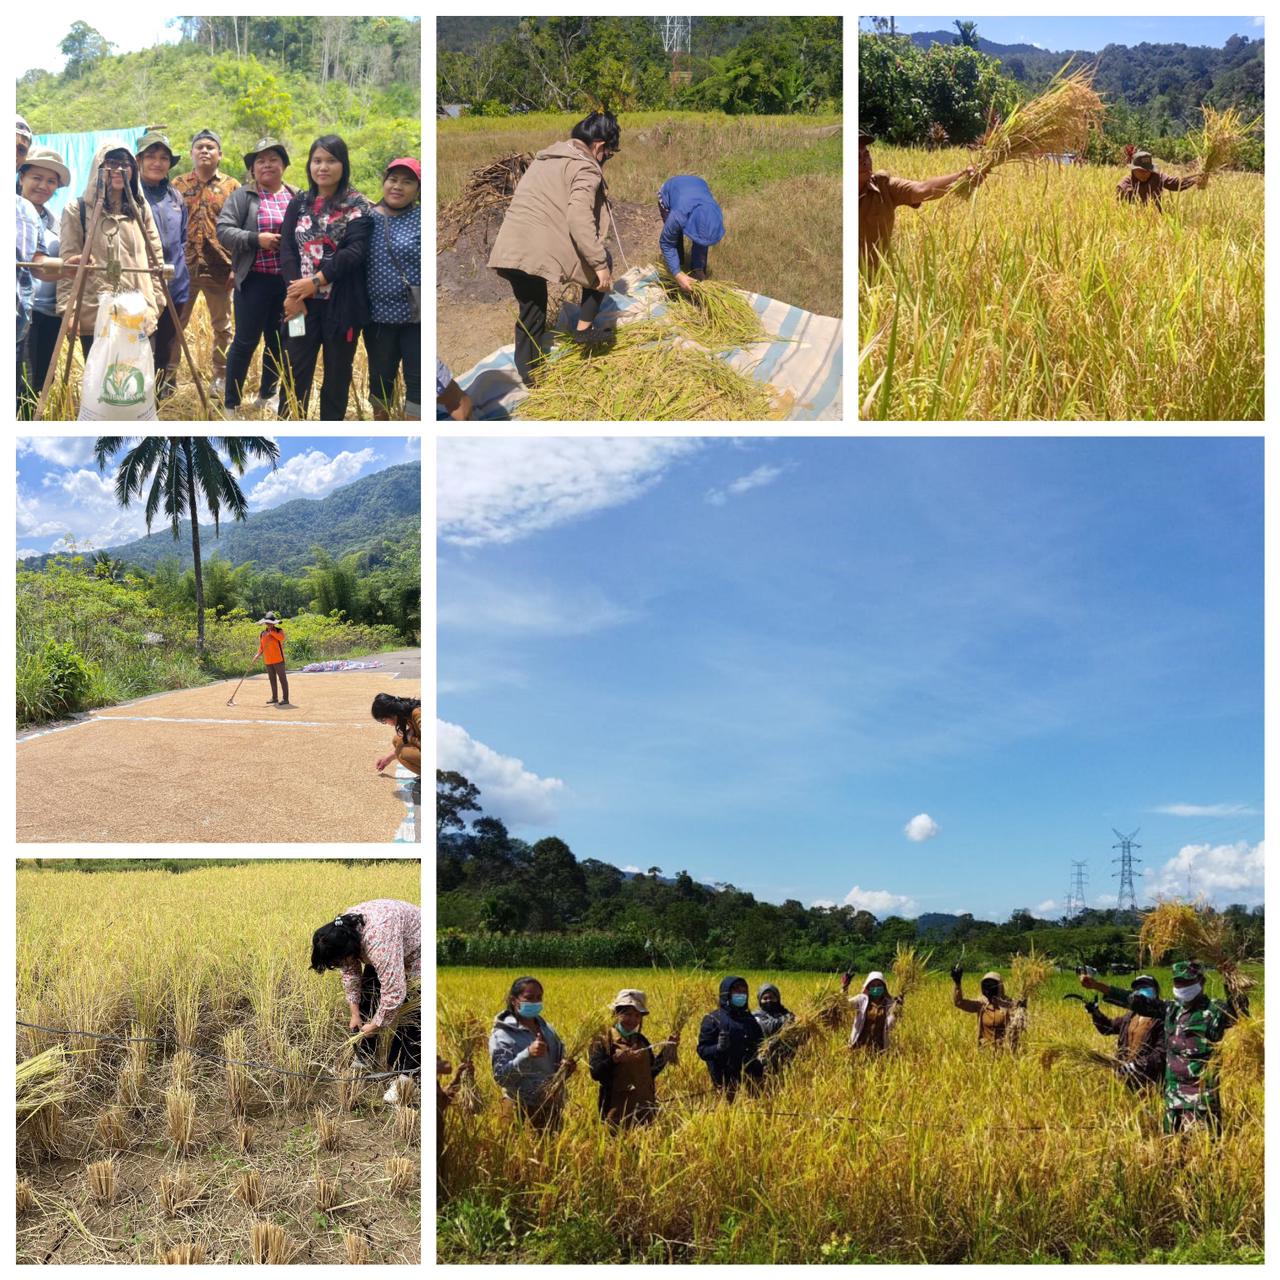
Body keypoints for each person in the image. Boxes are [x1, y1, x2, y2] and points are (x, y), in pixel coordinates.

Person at [487, 110, 620, 386]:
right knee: (602, 261)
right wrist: (598, 265)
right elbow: (578, 218)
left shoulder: (547, 156)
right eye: (609, 153)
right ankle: (584, 330)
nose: (607, 159)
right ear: (599, 146)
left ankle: (530, 373)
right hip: (535, 247)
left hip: (510, 246)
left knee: (532, 306)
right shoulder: (585, 166)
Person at [1080, 960, 1244, 1133]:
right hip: (1172, 1097)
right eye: (1177, 982)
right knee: (1171, 1146)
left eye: (1187, 982)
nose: (1181, 987)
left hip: (1200, 1098)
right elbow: (1135, 1001)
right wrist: (1097, 986)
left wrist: (1231, 978)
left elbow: (1239, 1013)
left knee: (1200, 1151)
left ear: (1201, 982)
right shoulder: (1171, 1010)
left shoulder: (1214, 1011)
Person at [279, 134, 374, 420]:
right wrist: (295, 293)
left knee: (337, 372)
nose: (323, 167)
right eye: (317, 160)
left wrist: (316, 281)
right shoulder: (299, 203)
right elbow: (287, 249)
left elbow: (354, 252)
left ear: (343, 164)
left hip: (341, 307)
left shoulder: (357, 204)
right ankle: (291, 421)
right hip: (300, 306)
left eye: (331, 160)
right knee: (295, 366)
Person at [58, 141, 165, 357]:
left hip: (138, 308)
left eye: (125, 164)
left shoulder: (140, 209)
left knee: (137, 380)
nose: (119, 170)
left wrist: (157, 302)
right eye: (112, 163)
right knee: (102, 383)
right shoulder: (77, 210)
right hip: (95, 310)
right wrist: (67, 310)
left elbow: (155, 260)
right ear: (99, 167)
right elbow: (69, 264)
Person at [216, 136, 299, 416]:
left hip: (288, 285)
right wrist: (256, 238)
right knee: (245, 341)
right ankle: (232, 403)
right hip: (253, 281)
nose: (267, 165)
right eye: (260, 161)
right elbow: (223, 231)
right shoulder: (243, 197)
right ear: (253, 170)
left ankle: (267, 395)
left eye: (273, 159)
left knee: (279, 341)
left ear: (284, 165)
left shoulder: (297, 197)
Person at [310, 900, 421, 1105]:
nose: (340, 966)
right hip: (389, 945)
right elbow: (351, 974)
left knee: (413, 1016)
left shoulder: (378, 942)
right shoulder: (343, 933)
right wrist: (355, 1014)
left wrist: (377, 1024)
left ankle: (405, 1081)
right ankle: (364, 1058)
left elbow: (395, 991)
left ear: (352, 951)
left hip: (418, 951)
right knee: (368, 996)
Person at [172, 128, 240, 397]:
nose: (204, 151)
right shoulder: (177, 185)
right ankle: (168, 377)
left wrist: (237, 267)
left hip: (220, 269)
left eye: (210, 147)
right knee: (175, 325)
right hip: (183, 269)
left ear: (220, 155)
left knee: (222, 327)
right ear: (191, 153)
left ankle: (221, 377)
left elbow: (239, 228)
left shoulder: (232, 187)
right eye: (199, 146)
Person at [859, 128, 984, 267]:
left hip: (875, 283)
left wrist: (963, 176)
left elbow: (922, 189)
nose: (865, 161)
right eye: (857, 156)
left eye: (866, 155)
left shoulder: (884, 186)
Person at [135, 131, 191, 400]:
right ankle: (140, 395)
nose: (157, 163)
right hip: (142, 284)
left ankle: (160, 391)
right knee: (142, 340)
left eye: (163, 158)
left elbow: (182, 238)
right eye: (150, 157)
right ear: (139, 161)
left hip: (176, 281)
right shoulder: (131, 196)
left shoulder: (175, 197)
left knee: (168, 340)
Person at [365, 157, 421, 419]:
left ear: (418, 190)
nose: (398, 186)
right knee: (380, 382)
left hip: (415, 319)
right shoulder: (366, 219)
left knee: (418, 382)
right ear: (384, 183)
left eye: (407, 181)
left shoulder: (422, 218)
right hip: (377, 320)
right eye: (393, 179)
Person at [489, 976, 576, 1130]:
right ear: (514, 1000)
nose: (535, 1002)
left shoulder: (548, 1030)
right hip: (518, 1107)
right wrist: (527, 1054)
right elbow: (501, 1077)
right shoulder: (502, 1034)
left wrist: (566, 1068)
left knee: (551, 1152)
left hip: (549, 1106)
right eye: (529, 998)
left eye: (539, 998)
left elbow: (555, 1068)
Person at [587, 989, 678, 1128]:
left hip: (645, 1111)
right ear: (616, 1014)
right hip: (616, 1113)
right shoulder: (603, 1040)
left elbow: (651, 1071)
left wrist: (668, 1048)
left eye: (637, 1015)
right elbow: (596, 1073)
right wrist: (614, 1060)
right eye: (628, 1014)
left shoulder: (641, 1040)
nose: (633, 1020)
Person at [1083, 973, 1165, 1090]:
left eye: (1145, 987)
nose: (1140, 990)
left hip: (1149, 1081)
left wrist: (1136, 1066)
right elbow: (1107, 1028)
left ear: (1156, 991)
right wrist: (1095, 1013)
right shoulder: (1130, 1016)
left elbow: (1160, 1055)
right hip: (1125, 1077)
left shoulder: (1162, 1019)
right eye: (1137, 988)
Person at [696, 975, 764, 1100]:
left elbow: (761, 1043)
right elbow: (702, 1050)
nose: (741, 995)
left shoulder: (749, 1019)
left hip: (751, 1079)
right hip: (724, 1081)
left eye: (744, 992)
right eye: (737, 991)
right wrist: (718, 1048)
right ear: (726, 993)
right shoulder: (712, 1019)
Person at [657, 175, 725, 291]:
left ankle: (697, 271)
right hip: (670, 190)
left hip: (697, 185)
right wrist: (677, 274)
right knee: (675, 240)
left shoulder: (714, 211)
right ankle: (677, 274)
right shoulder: (678, 215)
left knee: (702, 241)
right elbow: (666, 243)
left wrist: (698, 269)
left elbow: (704, 236)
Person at [951, 965, 1024, 1050]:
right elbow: (959, 1002)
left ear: (1000, 987)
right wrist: (957, 983)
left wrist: (1022, 1009)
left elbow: (1018, 1028)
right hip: (985, 1051)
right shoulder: (981, 1004)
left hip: (1005, 1052)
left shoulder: (1010, 1004)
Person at [1116, 149, 1203, 210]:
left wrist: (1196, 178)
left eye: (1147, 171)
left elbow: (1176, 184)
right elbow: (1120, 212)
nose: (1144, 174)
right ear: (1133, 170)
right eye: (1140, 171)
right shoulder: (1124, 187)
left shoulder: (1157, 177)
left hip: (1157, 220)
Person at [846, 971, 903, 1054]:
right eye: (873, 985)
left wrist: (899, 1006)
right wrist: (845, 986)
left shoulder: (890, 1004)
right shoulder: (861, 1000)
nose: (876, 988)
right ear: (868, 987)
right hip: (859, 1046)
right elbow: (844, 1004)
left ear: (884, 987)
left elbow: (893, 1023)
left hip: (879, 1049)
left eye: (879, 985)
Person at [753, 982, 797, 1076]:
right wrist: (788, 1020)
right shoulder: (756, 1015)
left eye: (772, 997)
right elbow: (768, 1027)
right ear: (760, 1000)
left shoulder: (784, 1013)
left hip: (785, 1060)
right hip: (765, 1060)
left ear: (777, 999)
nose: (769, 1000)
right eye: (765, 998)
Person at [372, 692, 421, 777]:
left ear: (391, 714)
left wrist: (411, 739)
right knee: (397, 740)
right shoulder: (408, 713)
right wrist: (388, 758)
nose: (386, 723)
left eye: (383, 720)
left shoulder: (417, 714)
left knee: (403, 753)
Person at [256, 611, 291, 707]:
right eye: (267, 623)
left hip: (278, 660)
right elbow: (261, 647)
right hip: (268, 660)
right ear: (265, 623)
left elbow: (281, 638)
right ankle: (274, 698)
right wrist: (257, 655)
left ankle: (285, 699)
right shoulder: (262, 633)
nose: (269, 624)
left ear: (273, 623)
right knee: (272, 679)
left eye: (270, 623)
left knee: (282, 679)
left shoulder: (279, 631)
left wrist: (271, 633)